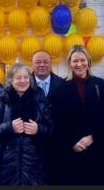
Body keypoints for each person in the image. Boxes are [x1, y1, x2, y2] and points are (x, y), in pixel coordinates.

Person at [0, 63, 54, 185]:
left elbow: (51, 128)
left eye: (26, 77)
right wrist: (9, 127)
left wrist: (38, 129)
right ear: (11, 80)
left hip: (35, 164)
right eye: (18, 78)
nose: (23, 81)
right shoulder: (1, 98)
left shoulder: (39, 96)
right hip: (6, 164)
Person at [48, 44, 104, 185]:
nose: (79, 64)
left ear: (88, 61)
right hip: (70, 152)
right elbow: (56, 121)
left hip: (96, 149)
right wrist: (72, 142)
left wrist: (93, 136)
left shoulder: (99, 85)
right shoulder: (60, 88)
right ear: (70, 63)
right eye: (75, 61)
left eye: (82, 60)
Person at [30, 50, 67, 183]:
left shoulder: (62, 84)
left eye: (45, 62)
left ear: (51, 64)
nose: (42, 65)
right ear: (32, 64)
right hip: (32, 143)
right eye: (38, 62)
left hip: (56, 143)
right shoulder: (23, 84)